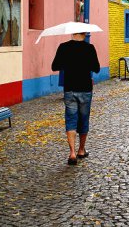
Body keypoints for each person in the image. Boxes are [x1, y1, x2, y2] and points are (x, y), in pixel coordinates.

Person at [51, 32, 100, 165]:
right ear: (84, 34)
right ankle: (81, 150)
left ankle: (72, 153)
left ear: (72, 33)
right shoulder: (89, 48)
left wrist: (67, 63)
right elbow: (97, 68)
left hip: (70, 89)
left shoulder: (63, 47)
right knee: (84, 118)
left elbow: (54, 66)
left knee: (71, 119)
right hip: (85, 89)